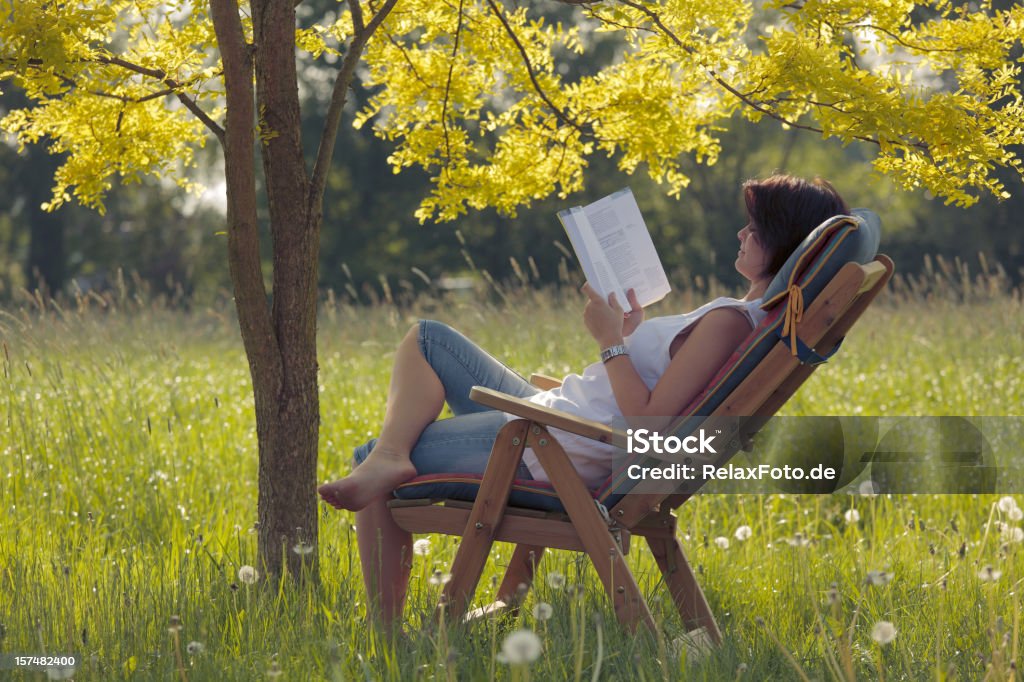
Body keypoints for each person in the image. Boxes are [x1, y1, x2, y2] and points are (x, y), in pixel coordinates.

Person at [318, 173, 849, 627]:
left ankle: (385, 634)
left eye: (753, 229)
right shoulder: (742, 319)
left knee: (373, 457)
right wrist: (632, 333)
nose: (740, 233)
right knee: (429, 339)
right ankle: (413, 482)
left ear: (780, 242)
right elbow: (649, 395)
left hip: (553, 446)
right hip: (561, 423)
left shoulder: (731, 323)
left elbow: (647, 426)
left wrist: (610, 340)